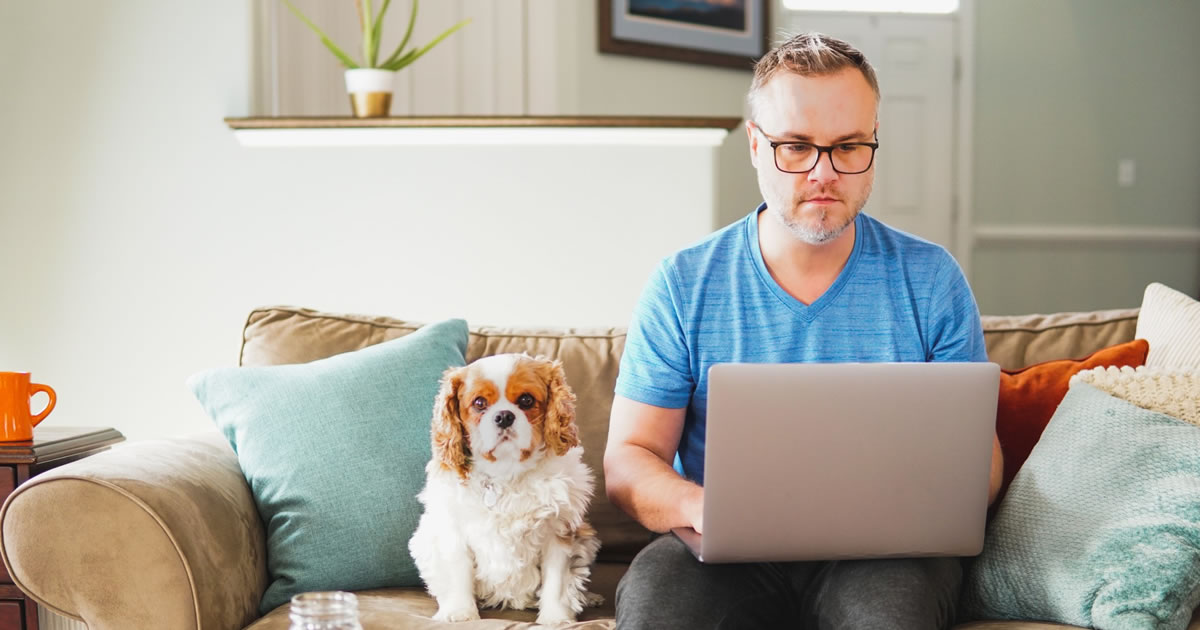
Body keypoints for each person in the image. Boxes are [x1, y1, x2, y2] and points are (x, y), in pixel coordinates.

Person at [604, 32, 1004, 630]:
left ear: (873, 142)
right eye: (796, 147)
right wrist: (702, 506)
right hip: (722, 551)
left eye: (848, 147)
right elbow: (629, 459)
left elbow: (981, 461)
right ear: (755, 145)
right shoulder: (682, 284)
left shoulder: (931, 279)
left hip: (885, 554)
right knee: (658, 607)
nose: (824, 172)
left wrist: (957, 485)